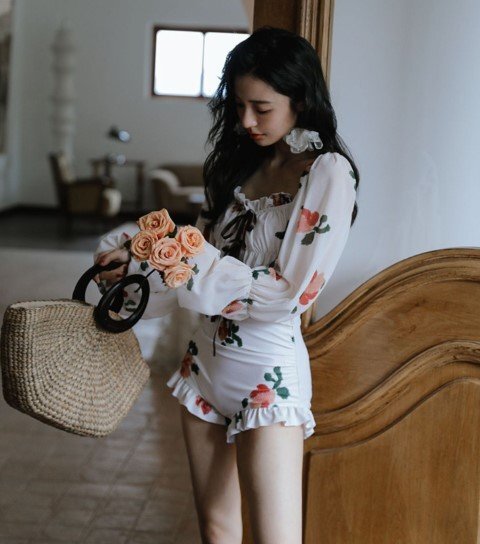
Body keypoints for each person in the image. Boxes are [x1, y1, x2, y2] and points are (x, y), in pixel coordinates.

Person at [94, 26, 359, 544]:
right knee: (216, 531)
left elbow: (289, 292)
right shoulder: (240, 163)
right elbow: (194, 271)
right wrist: (137, 265)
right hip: (203, 368)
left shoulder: (327, 173)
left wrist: (191, 257)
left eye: (262, 108)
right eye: (238, 105)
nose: (246, 121)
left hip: (268, 377)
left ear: (301, 100)